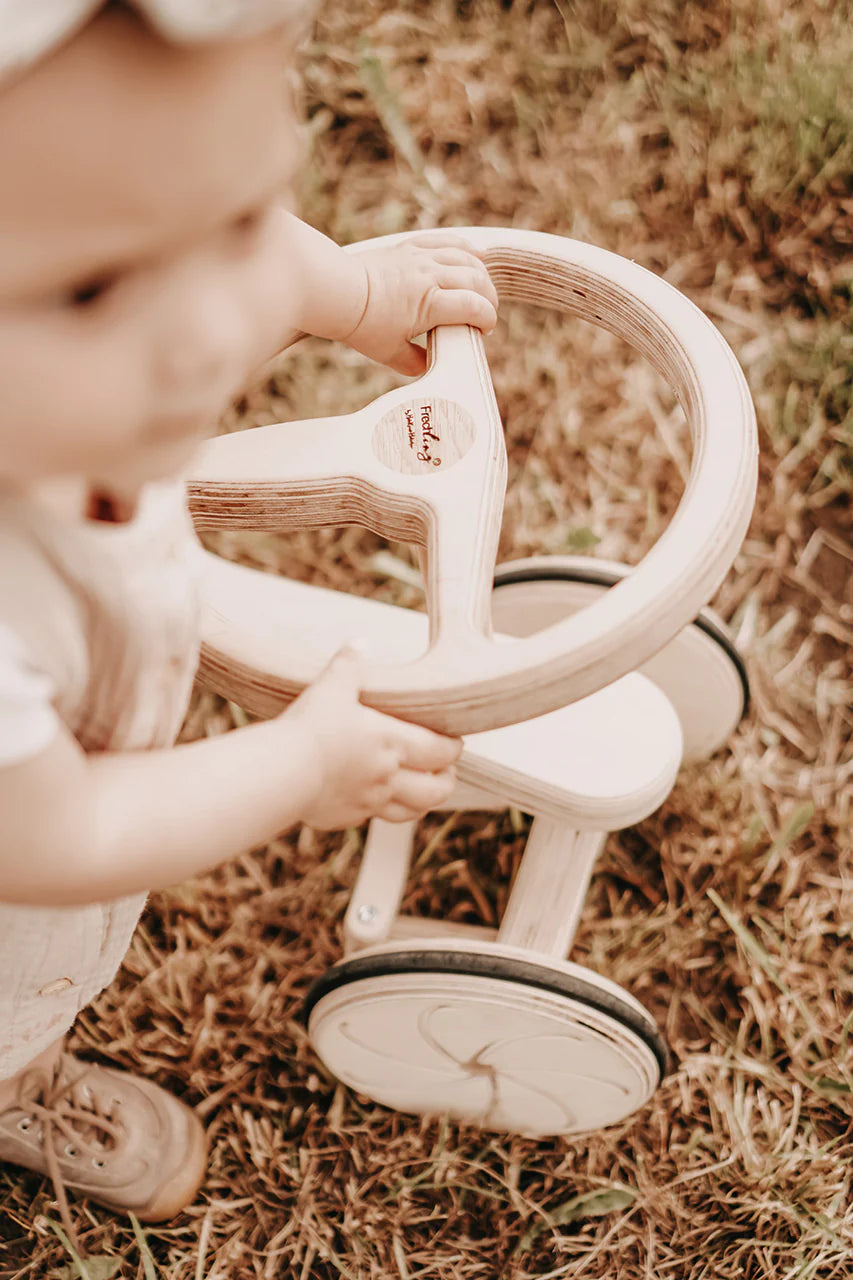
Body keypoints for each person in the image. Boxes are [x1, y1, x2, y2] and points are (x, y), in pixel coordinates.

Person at [0, 0, 499, 1233]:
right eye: (90, 286)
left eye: (228, 223)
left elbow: (199, 219)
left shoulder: (91, 387)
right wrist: (299, 762)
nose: (213, 331)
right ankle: (14, 1080)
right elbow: (56, 832)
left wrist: (352, 285)